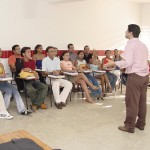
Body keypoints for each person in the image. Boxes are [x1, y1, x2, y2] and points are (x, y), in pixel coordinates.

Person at [104, 24, 149, 133]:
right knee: (142, 102)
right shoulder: (143, 45)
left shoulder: (130, 45)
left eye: (126, 30)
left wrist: (113, 63)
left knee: (132, 102)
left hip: (135, 77)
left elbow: (127, 62)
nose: (125, 32)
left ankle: (129, 126)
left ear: (131, 32)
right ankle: (141, 123)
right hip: (145, 76)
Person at [0, 48, 31, 115]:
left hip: (3, 82)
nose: (0, 54)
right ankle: (3, 110)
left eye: (1, 52)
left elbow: (3, 74)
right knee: (9, 91)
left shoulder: (1, 64)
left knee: (15, 91)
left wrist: (4, 75)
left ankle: (22, 110)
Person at [21, 47, 48, 112]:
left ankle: (35, 104)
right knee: (31, 90)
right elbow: (21, 71)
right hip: (25, 81)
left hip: (33, 79)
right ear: (23, 54)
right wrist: (30, 71)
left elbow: (33, 71)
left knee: (44, 87)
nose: (30, 53)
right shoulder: (20, 61)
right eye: (28, 52)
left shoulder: (32, 61)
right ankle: (40, 104)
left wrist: (32, 72)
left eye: (30, 52)